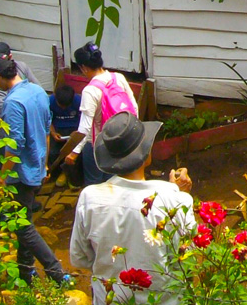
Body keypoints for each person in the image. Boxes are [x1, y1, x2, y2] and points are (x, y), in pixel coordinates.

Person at [69, 112, 195, 305]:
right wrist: (181, 194)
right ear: (146, 154)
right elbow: (189, 256)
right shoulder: (174, 198)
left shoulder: (90, 198)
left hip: (110, 300)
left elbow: (79, 258)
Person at [0, 54, 68, 284]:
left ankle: (56, 273)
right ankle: (26, 272)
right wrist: (43, 164)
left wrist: (2, 177)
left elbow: (14, 143)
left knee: (22, 227)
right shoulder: (37, 91)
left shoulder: (13, 103)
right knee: (25, 219)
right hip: (36, 169)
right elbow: (45, 129)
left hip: (19, 173)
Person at [56, 42, 139, 187]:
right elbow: (134, 107)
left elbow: (85, 128)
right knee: (114, 181)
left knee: (94, 184)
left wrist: (74, 152)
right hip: (119, 139)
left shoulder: (90, 91)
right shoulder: (118, 78)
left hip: (97, 144)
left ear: (84, 67)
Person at [49, 82, 82, 168]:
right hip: (57, 129)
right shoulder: (50, 101)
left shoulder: (79, 101)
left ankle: (67, 173)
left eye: (66, 106)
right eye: (61, 106)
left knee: (75, 153)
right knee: (53, 152)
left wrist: (77, 133)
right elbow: (47, 120)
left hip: (75, 129)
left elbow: (84, 120)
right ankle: (55, 172)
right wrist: (53, 133)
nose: (63, 108)